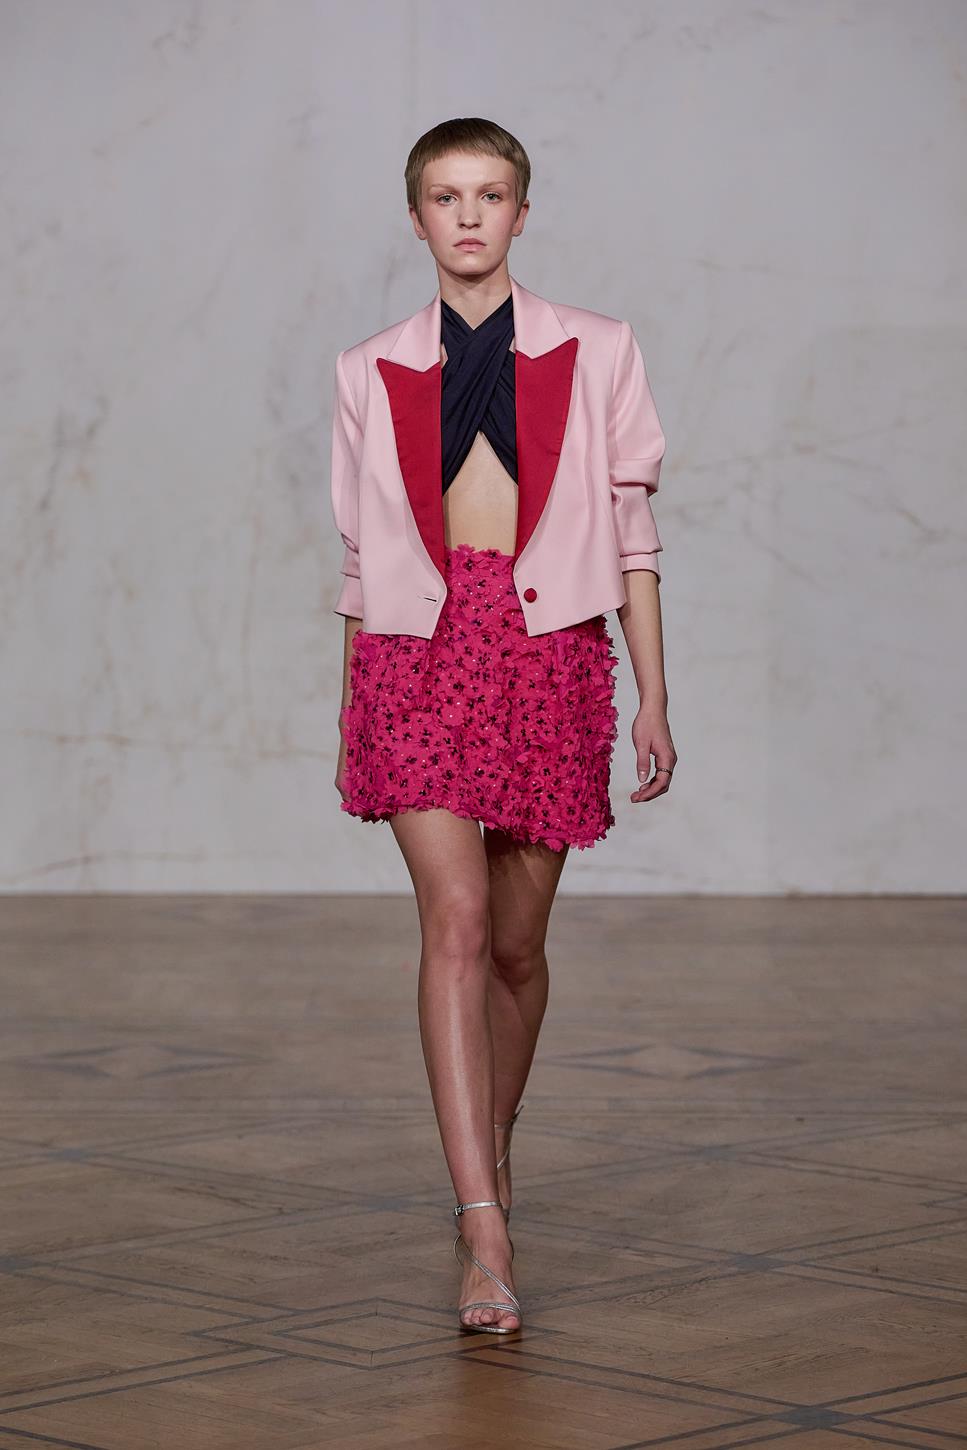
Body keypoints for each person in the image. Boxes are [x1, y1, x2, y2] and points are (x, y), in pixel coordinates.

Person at [329, 117, 677, 1335]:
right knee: (459, 924)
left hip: (548, 659)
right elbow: (362, 562)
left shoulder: (600, 348)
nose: (468, 216)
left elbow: (631, 537)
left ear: (522, 213)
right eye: (445, 196)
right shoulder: (366, 368)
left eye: (489, 195)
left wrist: (653, 692)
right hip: (415, 659)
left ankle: (493, 1138)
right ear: (414, 216)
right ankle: (483, 1221)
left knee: (518, 948)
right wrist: (350, 709)